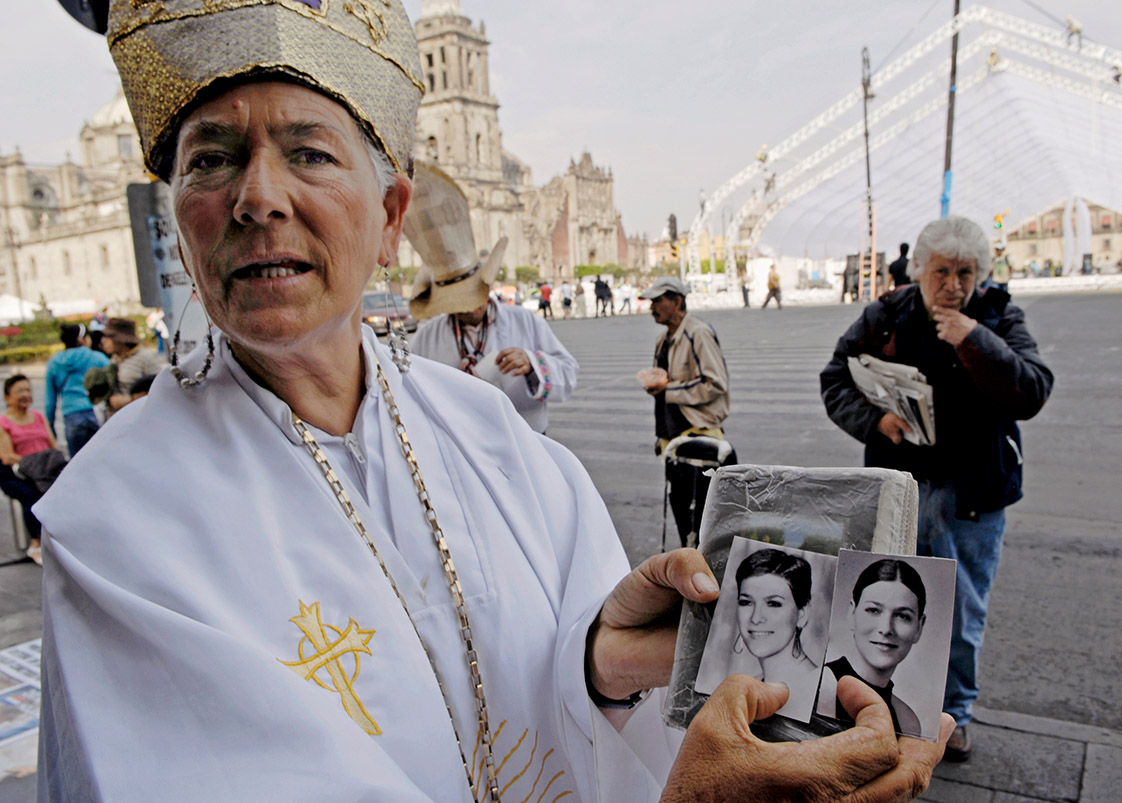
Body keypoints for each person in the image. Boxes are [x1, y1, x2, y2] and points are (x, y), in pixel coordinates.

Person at [35, 2, 950, 800]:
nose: (258, 197)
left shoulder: (485, 429)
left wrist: (598, 653)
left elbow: (510, 675)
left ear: (392, 217)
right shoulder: (119, 522)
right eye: (212, 159)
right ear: (177, 219)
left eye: (309, 152)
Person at [820, 215, 1053, 762]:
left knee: (961, 614)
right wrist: (876, 422)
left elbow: (1032, 389)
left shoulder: (997, 315)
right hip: (900, 488)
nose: (953, 284)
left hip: (971, 495)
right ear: (919, 271)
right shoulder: (885, 316)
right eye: (942, 272)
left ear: (981, 274)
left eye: (965, 272)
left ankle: (956, 715)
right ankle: (876, 708)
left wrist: (975, 340)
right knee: (882, 607)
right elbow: (836, 378)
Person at [407, 173, 578, 436]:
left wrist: (532, 364)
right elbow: (410, 393)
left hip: (525, 439)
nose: (467, 308)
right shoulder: (427, 337)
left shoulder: (525, 320)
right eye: (458, 302)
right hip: (461, 446)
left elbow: (568, 373)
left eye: (472, 297)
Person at [640, 276, 735, 546]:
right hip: (673, 443)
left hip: (700, 440)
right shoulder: (662, 340)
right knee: (684, 524)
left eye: (658, 301)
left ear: (677, 301)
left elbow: (715, 382)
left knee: (703, 526)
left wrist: (668, 390)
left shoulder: (698, 332)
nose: (652, 308)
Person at [817, 559, 926, 736]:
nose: (886, 629)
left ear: (919, 627)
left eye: (902, 616)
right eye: (874, 610)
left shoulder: (907, 721)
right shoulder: (822, 686)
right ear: (852, 613)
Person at [734, 548, 820, 693]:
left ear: (802, 614)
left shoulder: (820, 688)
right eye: (746, 602)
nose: (756, 618)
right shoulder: (750, 685)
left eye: (773, 604)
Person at [0, 374, 59, 565]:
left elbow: (53, 446)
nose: (25, 394)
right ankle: (36, 542)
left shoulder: (39, 417)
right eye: (19, 391)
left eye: (28, 390)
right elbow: (7, 456)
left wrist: (43, 464)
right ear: (7, 397)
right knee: (32, 494)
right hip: (17, 474)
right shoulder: (3, 422)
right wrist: (34, 463)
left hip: (44, 471)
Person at [44, 323, 109, 456]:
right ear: (81, 339)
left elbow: (49, 403)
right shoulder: (97, 357)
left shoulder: (54, 363)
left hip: (71, 416)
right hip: (96, 412)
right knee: (103, 458)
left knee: (77, 463)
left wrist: (51, 429)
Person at [100, 318, 162, 414]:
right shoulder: (114, 360)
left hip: (140, 418)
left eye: (109, 337)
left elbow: (161, 390)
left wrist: (129, 400)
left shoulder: (145, 358)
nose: (104, 341)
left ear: (121, 339)